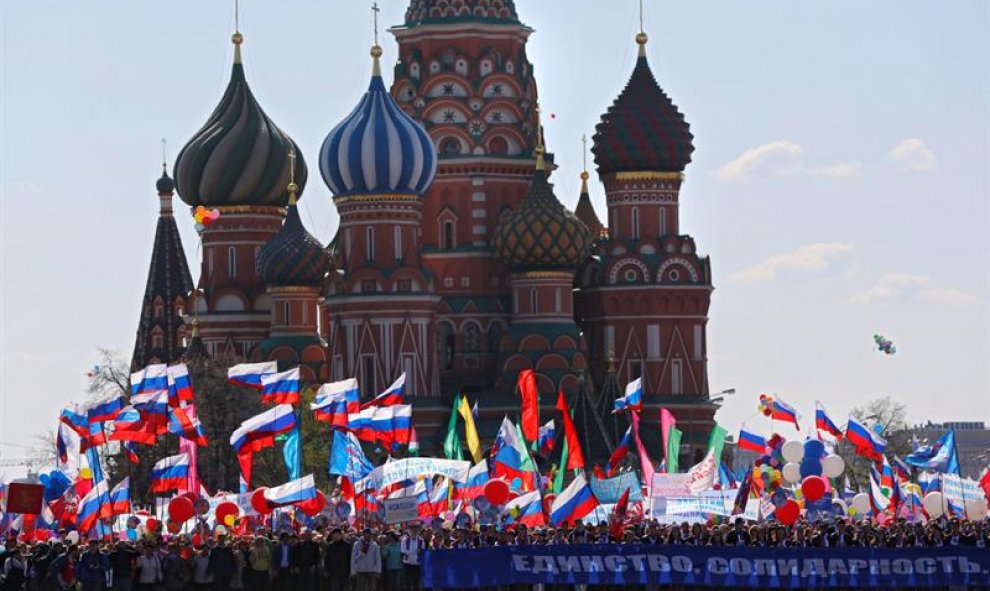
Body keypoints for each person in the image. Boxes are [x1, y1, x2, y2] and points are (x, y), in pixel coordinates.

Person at [398, 526, 423, 591]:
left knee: (416, 583)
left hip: (417, 564)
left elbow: (422, 551)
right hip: (407, 564)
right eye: (412, 530)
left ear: (418, 531)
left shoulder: (421, 540)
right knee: (407, 583)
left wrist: (419, 552)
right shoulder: (404, 540)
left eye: (415, 530)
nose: (414, 532)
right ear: (409, 531)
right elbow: (403, 551)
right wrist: (415, 551)